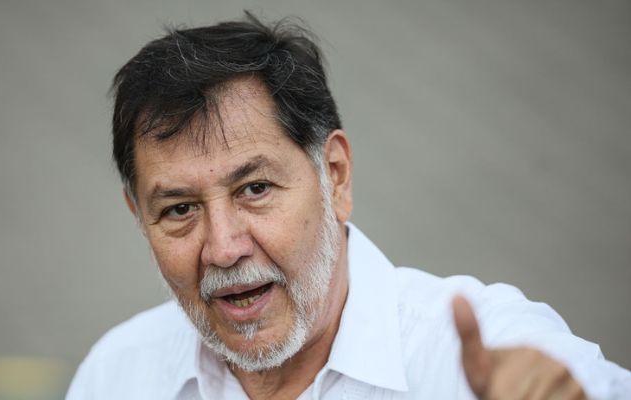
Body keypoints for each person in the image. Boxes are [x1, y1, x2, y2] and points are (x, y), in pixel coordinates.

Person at [66, 13, 630, 400]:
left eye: (255, 189)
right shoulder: (118, 374)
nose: (223, 247)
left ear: (333, 176)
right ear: (139, 218)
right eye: (180, 209)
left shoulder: (479, 359)